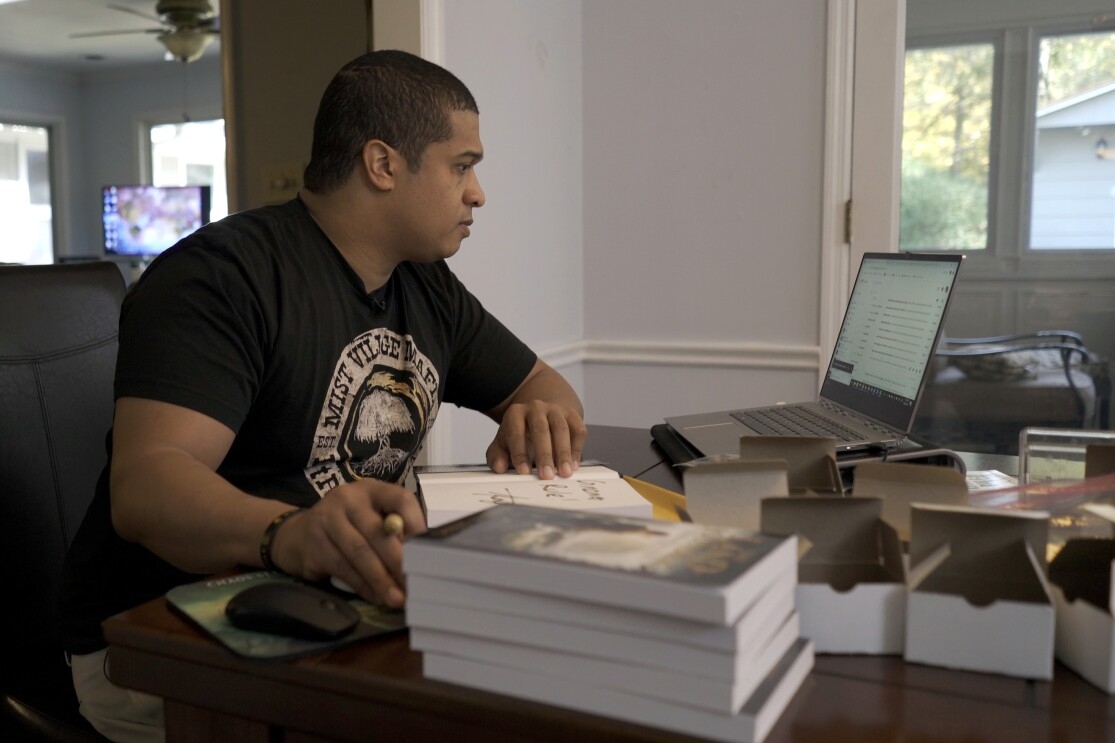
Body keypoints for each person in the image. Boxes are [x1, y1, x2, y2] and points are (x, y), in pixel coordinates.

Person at [59, 49, 586, 743]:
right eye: (462, 165)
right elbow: (148, 485)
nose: (477, 192)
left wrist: (539, 415)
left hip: (334, 607)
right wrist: (287, 533)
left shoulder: (425, 285)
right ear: (382, 164)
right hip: (159, 641)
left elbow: (542, 387)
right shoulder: (219, 279)